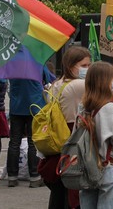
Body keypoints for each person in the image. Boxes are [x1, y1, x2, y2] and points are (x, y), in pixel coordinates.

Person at [40, 45, 91, 209]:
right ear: (70, 66)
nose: (88, 69)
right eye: (84, 66)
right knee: (71, 197)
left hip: (56, 146)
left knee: (58, 196)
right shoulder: (76, 86)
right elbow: (110, 87)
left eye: (89, 65)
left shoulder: (57, 83)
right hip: (72, 143)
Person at [79, 61, 113, 209]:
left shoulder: (83, 108)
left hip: (87, 168)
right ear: (106, 83)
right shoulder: (111, 109)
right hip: (110, 168)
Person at [6, 78, 45, 188]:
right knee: (33, 142)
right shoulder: (36, 63)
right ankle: (34, 176)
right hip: (35, 105)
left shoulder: (12, 65)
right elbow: (48, 79)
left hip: (16, 107)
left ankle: (12, 177)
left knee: (14, 142)